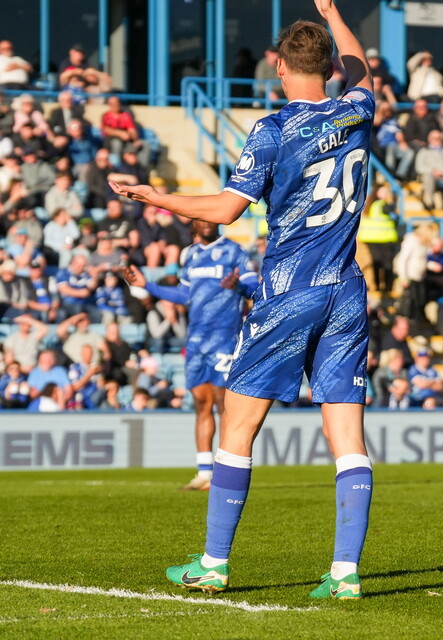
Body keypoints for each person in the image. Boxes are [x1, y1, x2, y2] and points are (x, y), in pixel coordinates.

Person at [108, 0, 374, 600]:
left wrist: (156, 196)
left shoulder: (274, 130)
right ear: (329, 64)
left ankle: (213, 563)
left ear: (278, 66)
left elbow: (226, 210)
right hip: (347, 289)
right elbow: (362, 67)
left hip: (287, 289)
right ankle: (345, 574)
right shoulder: (357, 109)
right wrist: (332, 12)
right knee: (347, 435)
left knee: (240, 420)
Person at [123, 220, 257, 489]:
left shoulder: (235, 252)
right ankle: (204, 472)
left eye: (211, 217)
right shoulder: (191, 255)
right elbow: (185, 294)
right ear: (194, 223)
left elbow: (255, 287)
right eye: (201, 218)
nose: (206, 221)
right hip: (195, 341)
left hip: (224, 338)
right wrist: (147, 285)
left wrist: (239, 287)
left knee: (223, 404)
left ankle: (224, 471)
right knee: (200, 404)